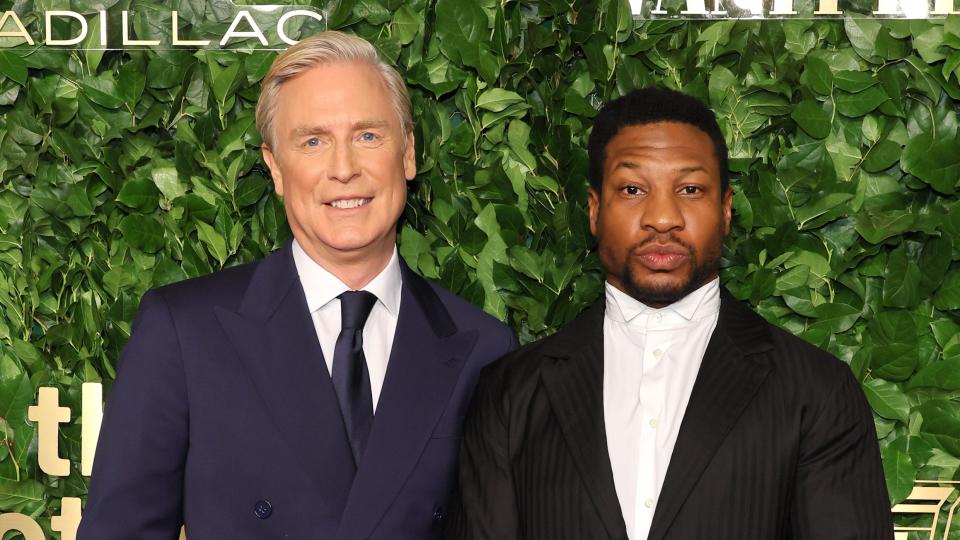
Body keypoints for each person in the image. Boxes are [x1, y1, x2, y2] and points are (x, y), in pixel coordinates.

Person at [78, 31, 517, 540]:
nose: (344, 168)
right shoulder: (185, 332)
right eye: (313, 141)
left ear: (408, 155)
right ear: (276, 169)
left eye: (368, 136)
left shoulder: (482, 348)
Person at [445, 87, 892, 540]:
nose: (663, 217)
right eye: (634, 189)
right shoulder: (510, 391)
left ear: (726, 210)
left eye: (690, 189)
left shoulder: (816, 391)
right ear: (595, 210)